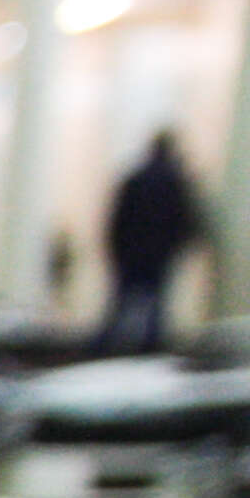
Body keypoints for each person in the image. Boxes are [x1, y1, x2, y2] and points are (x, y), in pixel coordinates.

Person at [102, 134, 203, 356]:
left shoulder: (135, 179)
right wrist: (180, 246)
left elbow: (118, 219)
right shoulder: (177, 182)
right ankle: (149, 349)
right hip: (159, 254)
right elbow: (187, 218)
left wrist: (115, 250)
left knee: (121, 302)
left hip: (130, 252)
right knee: (155, 306)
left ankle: (106, 346)